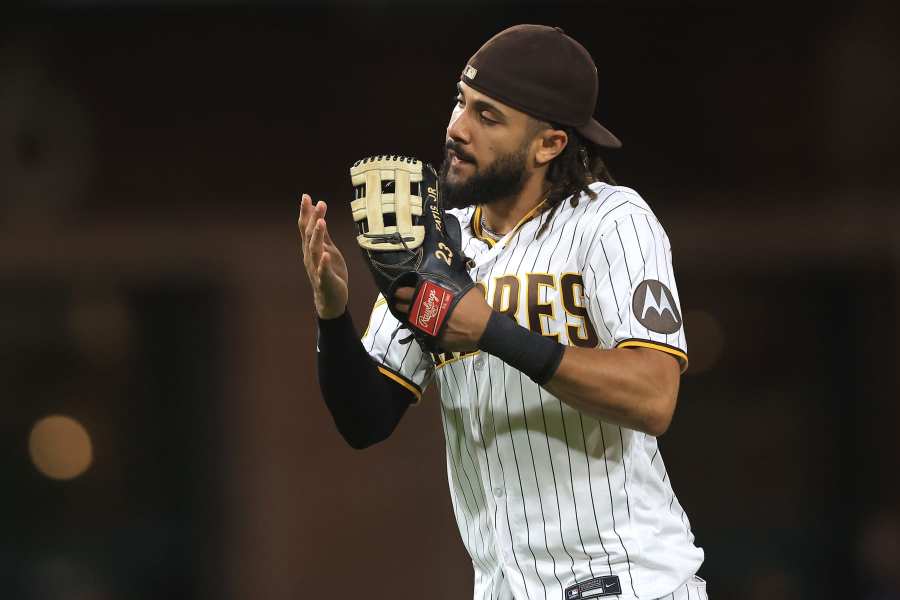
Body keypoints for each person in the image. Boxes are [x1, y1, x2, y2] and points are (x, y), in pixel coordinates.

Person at [299, 24, 706, 600]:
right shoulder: (437, 242)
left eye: (489, 117)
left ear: (549, 144)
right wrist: (333, 315)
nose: (457, 129)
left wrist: (489, 328)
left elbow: (653, 395)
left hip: (630, 581)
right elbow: (365, 420)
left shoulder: (609, 221)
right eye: (461, 103)